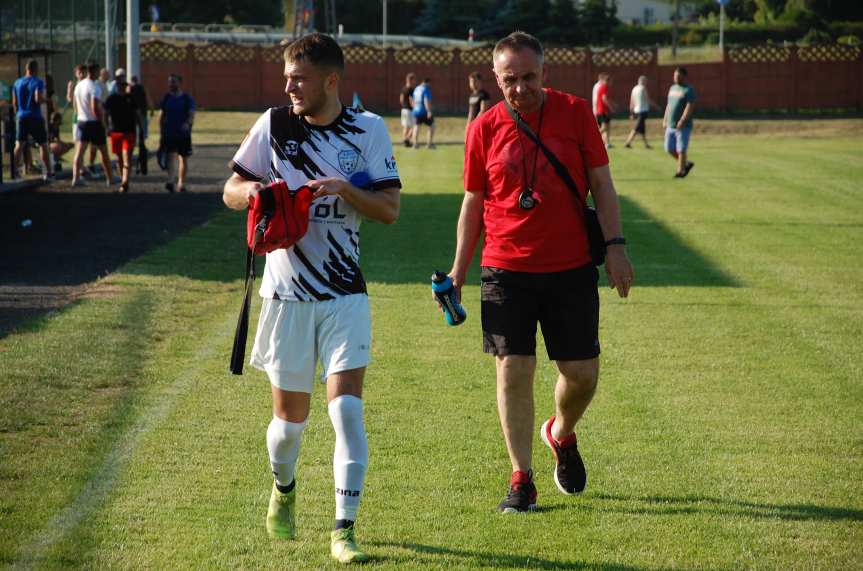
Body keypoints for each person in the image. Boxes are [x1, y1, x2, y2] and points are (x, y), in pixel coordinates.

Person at [222, 32, 401, 564]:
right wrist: (252, 193)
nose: (288, 86)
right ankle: (284, 489)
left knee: (347, 412)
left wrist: (346, 189)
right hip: (286, 296)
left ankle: (343, 531)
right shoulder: (274, 124)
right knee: (288, 430)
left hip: (345, 295)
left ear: (330, 80)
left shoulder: (367, 130)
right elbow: (230, 189)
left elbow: (389, 208)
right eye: (286, 77)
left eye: (298, 78)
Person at [445, 31, 634, 513]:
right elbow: (473, 203)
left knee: (582, 374)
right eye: (510, 79)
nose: (521, 88)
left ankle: (562, 433)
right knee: (513, 369)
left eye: (529, 77)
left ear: (544, 73)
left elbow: (602, 184)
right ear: (496, 78)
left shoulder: (574, 113)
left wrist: (615, 247)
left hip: (570, 266)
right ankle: (521, 478)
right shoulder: (483, 128)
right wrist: (458, 271)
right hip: (505, 267)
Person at [71, 62, 114, 188]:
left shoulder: (79, 85)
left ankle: (76, 178)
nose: (99, 74)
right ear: (94, 72)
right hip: (93, 123)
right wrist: (103, 123)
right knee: (104, 152)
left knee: (79, 152)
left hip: (81, 121)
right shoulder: (94, 87)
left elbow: (75, 104)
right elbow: (95, 107)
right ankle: (110, 178)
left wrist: (80, 116)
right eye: (98, 71)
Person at [11, 59, 53, 181]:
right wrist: (47, 101)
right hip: (35, 117)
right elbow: (38, 98)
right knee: (43, 144)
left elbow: (14, 103)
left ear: (26, 69)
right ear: (36, 70)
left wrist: (17, 115)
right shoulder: (37, 81)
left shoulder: (17, 82)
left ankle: (14, 172)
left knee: (19, 144)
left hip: (21, 116)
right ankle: (48, 173)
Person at [158, 74, 195, 193]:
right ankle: (170, 181)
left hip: (183, 134)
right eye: (169, 82)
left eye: (173, 82)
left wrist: (187, 124)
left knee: (183, 158)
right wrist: (161, 131)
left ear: (179, 83)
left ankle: (181, 183)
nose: (171, 84)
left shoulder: (186, 98)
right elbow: (161, 115)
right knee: (170, 157)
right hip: (169, 133)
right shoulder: (166, 98)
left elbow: (191, 114)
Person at [104, 78, 138, 193]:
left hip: (129, 132)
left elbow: (137, 114)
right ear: (117, 86)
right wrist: (107, 127)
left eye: (124, 85)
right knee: (119, 158)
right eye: (121, 85)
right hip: (116, 132)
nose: (123, 87)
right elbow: (105, 113)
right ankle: (122, 178)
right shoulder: (111, 99)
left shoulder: (131, 98)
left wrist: (141, 130)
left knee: (127, 157)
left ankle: (125, 182)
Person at [663, 67, 696, 178]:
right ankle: (686, 164)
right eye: (674, 75)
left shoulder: (688, 89)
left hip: (683, 126)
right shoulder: (672, 88)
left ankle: (680, 171)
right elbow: (669, 105)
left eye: (678, 76)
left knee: (681, 149)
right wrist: (665, 119)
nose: (675, 78)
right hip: (670, 125)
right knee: (669, 148)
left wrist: (682, 120)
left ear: (684, 76)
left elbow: (690, 106)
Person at [624, 75, 656, 149]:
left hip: (636, 110)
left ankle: (646, 144)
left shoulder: (634, 88)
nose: (646, 83)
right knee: (636, 128)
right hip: (643, 110)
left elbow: (631, 101)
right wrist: (656, 106)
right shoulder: (643, 88)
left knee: (642, 129)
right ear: (643, 81)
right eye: (646, 81)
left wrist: (631, 112)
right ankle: (627, 142)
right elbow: (648, 100)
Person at [129, 75, 152, 175]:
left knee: (133, 141)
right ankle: (141, 165)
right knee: (142, 141)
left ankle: (131, 164)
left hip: (132, 117)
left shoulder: (129, 89)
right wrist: (151, 109)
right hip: (142, 116)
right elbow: (148, 98)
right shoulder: (142, 88)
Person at [411, 77, 435, 149]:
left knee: (416, 127)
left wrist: (414, 108)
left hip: (416, 110)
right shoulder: (426, 89)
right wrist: (429, 111)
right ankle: (429, 144)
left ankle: (415, 144)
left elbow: (413, 100)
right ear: (427, 82)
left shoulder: (416, 89)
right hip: (424, 111)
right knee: (432, 126)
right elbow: (426, 100)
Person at [592, 72, 614, 149]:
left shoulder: (602, 87)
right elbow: (604, 99)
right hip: (603, 110)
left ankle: (607, 144)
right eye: (610, 81)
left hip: (602, 110)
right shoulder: (604, 87)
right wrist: (611, 107)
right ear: (607, 81)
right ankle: (592, 138)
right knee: (604, 127)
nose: (611, 83)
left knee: (607, 127)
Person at [465, 71, 490, 139]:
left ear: (480, 82)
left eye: (474, 81)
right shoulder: (471, 96)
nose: (472, 83)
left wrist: (475, 124)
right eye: (471, 81)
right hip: (472, 126)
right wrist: (468, 126)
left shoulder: (484, 95)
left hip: (481, 126)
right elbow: (470, 113)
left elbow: (483, 111)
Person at [398, 72, 416, 147]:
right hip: (410, 110)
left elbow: (401, 99)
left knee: (405, 126)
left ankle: (405, 140)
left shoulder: (403, 88)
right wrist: (414, 108)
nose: (414, 81)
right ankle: (407, 140)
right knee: (414, 126)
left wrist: (403, 106)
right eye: (414, 80)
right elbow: (411, 100)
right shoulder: (411, 89)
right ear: (411, 80)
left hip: (403, 110)